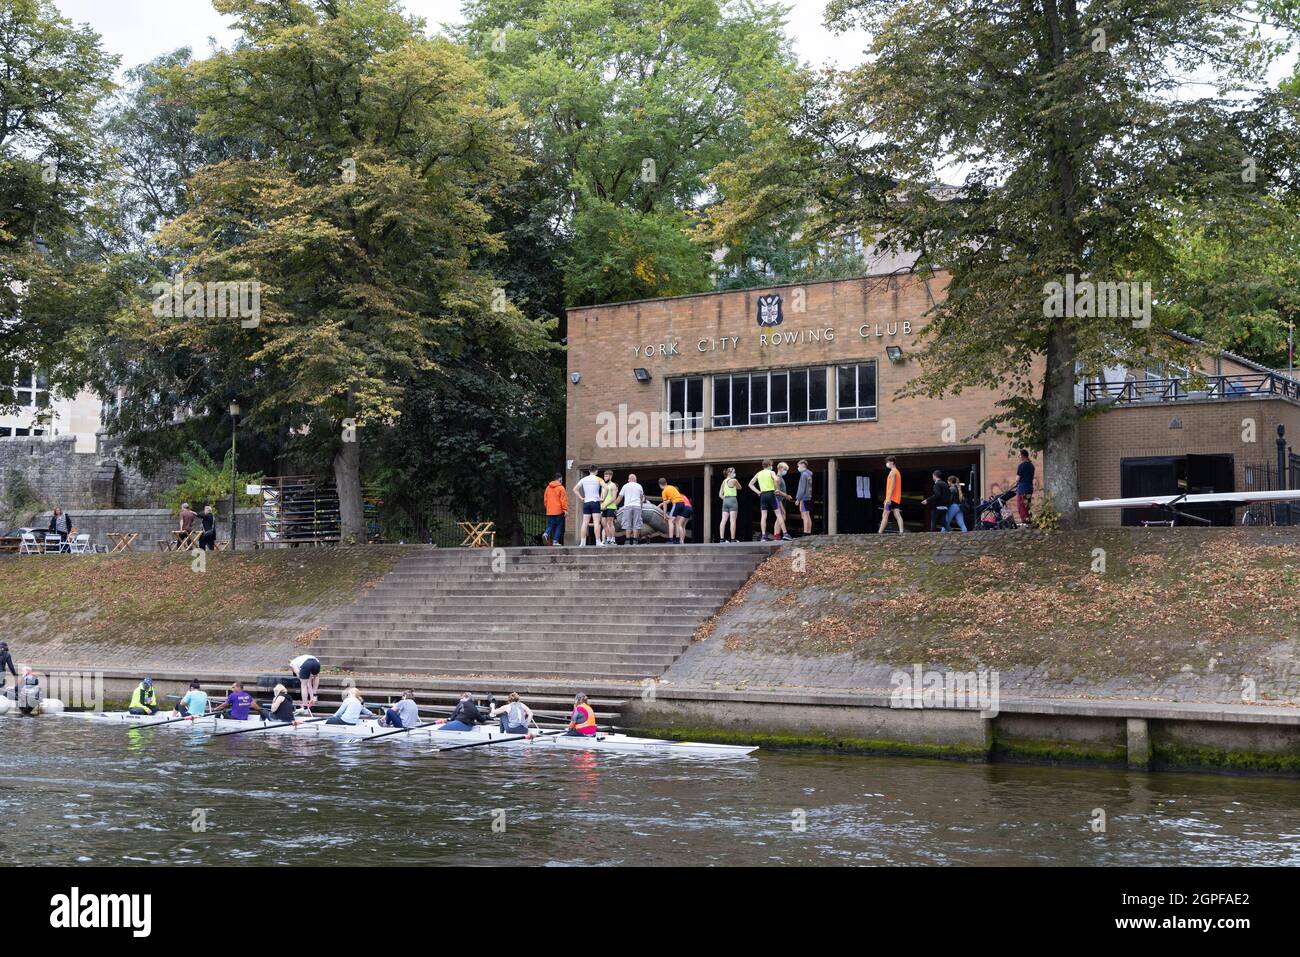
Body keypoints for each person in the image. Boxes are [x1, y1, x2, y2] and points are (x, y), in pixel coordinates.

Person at [571, 466, 605, 546]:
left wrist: (581, 498)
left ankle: (582, 542)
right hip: (595, 502)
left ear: (589, 471)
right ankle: (598, 541)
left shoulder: (583, 479)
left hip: (586, 502)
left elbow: (575, 489)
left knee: (584, 522)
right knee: (596, 522)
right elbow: (606, 488)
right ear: (596, 471)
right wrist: (602, 498)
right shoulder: (598, 479)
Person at [747, 460, 780, 541]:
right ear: (769, 465)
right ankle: (785, 533)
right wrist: (777, 489)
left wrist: (758, 492)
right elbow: (776, 479)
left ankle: (763, 536)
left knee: (763, 516)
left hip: (763, 495)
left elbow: (750, 484)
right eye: (771, 465)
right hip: (771, 494)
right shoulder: (771, 472)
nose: (772, 466)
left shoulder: (759, 473)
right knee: (779, 514)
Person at [657, 478, 692, 544]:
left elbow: (665, 504)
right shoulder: (671, 487)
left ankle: (670, 540)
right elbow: (670, 500)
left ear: (660, 485)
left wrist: (664, 515)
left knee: (670, 521)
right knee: (677, 522)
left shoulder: (664, 491)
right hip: (682, 504)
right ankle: (677, 539)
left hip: (677, 503)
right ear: (666, 483)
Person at [616, 472, 646, 544]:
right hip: (637, 506)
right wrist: (641, 507)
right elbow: (641, 498)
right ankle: (635, 540)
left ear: (629, 480)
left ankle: (628, 540)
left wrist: (614, 506)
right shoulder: (639, 486)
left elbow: (620, 497)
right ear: (635, 479)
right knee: (636, 523)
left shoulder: (625, 486)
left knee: (627, 524)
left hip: (628, 506)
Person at [878, 455, 905, 534]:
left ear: (892, 462)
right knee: (897, 513)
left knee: (885, 514)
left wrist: (888, 498)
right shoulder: (897, 472)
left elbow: (892, 486)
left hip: (891, 498)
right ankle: (901, 531)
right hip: (896, 498)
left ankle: (879, 532)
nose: (887, 464)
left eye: (888, 462)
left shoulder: (893, 472)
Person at [543, 472, 567, 546]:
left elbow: (545, 500)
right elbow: (563, 500)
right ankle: (555, 541)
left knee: (550, 525)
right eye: (561, 479)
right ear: (559, 479)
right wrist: (565, 510)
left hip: (550, 511)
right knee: (559, 526)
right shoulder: (561, 488)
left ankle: (546, 533)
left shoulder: (548, 488)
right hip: (558, 511)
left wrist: (548, 507)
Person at [717, 467, 740, 543]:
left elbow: (720, 494)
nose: (734, 473)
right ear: (729, 473)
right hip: (732, 500)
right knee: (732, 520)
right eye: (734, 472)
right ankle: (733, 539)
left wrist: (726, 499)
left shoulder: (724, 481)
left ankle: (722, 539)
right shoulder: (734, 480)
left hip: (725, 500)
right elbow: (740, 487)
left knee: (723, 520)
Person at [773, 462, 794, 541]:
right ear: (780, 468)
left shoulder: (780, 478)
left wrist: (785, 496)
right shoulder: (777, 478)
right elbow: (777, 491)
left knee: (781, 516)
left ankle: (776, 536)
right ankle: (779, 535)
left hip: (780, 499)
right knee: (782, 515)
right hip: (777, 499)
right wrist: (786, 495)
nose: (786, 471)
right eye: (785, 469)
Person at [1015, 449, 1035, 526]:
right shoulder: (1031, 466)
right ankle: (1029, 520)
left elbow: (1017, 479)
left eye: (1019, 455)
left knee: (1021, 506)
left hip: (1022, 488)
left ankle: (1025, 521)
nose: (1018, 457)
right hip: (1029, 487)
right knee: (1027, 505)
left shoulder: (1021, 465)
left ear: (1023, 456)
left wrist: (1016, 482)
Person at [599, 469, 620, 545]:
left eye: (607, 476)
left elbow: (613, 497)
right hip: (604, 507)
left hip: (611, 506)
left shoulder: (613, 485)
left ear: (610, 476)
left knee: (610, 523)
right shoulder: (603, 486)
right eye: (604, 476)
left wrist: (606, 504)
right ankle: (608, 538)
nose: (605, 477)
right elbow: (601, 497)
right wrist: (601, 504)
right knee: (603, 523)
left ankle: (613, 539)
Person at [795, 460, 814, 536]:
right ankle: (808, 532)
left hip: (803, 497)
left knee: (804, 515)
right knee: (808, 514)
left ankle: (805, 532)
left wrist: (798, 499)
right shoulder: (809, 474)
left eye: (798, 466)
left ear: (803, 465)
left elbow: (802, 488)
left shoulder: (803, 475)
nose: (798, 467)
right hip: (808, 497)